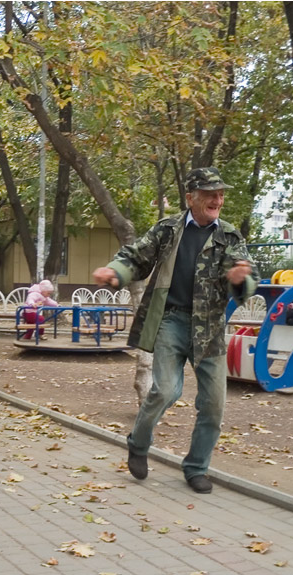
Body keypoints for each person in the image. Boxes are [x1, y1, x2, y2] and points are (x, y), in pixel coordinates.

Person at [93, 167, 258, 494]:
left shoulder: (229, 236)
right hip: (171, 320)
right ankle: (138, 443)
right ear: (191, 198)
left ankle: (196, 467)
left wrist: (242, 281)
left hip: (209, 329)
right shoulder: (167, 229)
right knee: (167, 390)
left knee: (214, 404)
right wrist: (115, 272)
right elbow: (135, 256)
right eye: (211, 194)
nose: (218, 199)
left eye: (221, 194)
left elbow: (245, 279)